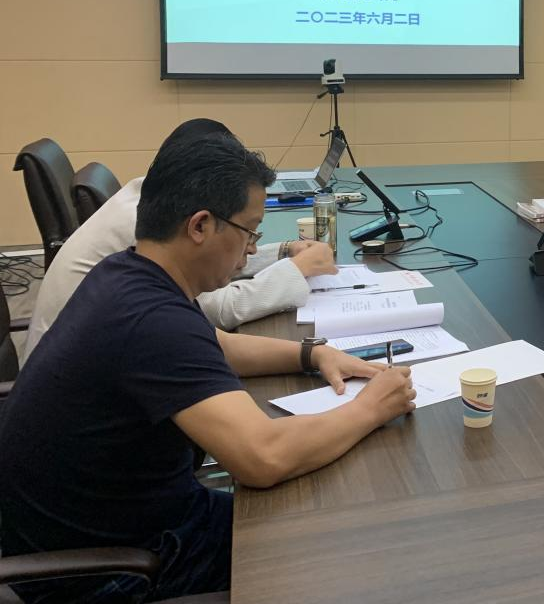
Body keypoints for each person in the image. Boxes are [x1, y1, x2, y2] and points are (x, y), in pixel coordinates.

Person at [0, 133, 416, 603]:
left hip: (106, 523)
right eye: (250, 232)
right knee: (339, 544)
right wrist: (370, 409)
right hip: (107, 571)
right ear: (200, 225)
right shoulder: (151, 320)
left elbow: (216, 345)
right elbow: (263, 458)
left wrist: (311, 354)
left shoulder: (126, 272)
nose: (251, 250)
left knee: (316, 510)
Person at [21, 118, 335, 364]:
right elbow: (216, 311)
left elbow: (213, 314)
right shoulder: (144, 230)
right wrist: (296, 269)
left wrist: (282, 252)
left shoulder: (152, 200)